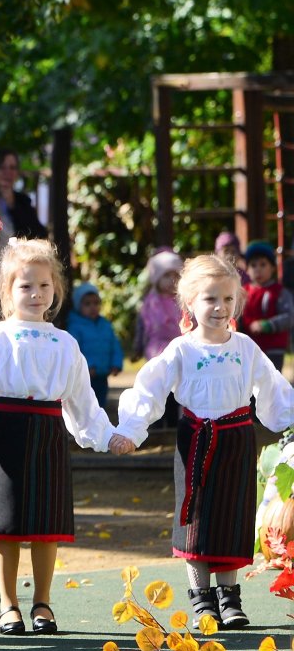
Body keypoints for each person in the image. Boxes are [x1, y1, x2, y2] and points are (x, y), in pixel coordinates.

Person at [0, 240, 132, 635]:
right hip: (7, 431)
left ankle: (43, 602)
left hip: (48, 434)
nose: (36, 294)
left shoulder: (66, 344)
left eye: (44, 286)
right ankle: (8, 606)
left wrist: (108, 436)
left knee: (45, 523)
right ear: (7, 291)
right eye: (25, 286)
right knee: (4, 524)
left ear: (55, 289)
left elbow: (82, 402)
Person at [115, 254, 294, 630]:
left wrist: (288, 421)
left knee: (231, 517)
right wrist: (131, 430)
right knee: (196, 518)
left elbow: (272, 387)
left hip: (237, 440)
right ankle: (202, 600)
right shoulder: (181, 350)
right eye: (211, 298)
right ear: (190, 303)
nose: (219, 307)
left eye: (228, 299)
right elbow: (150, 387)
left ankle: (229, 598)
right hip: (196, 439)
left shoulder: (245, 347)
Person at [0, 148, 47, 326]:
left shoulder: (22, 201)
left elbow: (39, 234)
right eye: (2, 168)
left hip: (20, 271)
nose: (7, 173)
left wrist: (12, 203)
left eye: (12, 168)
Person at [64, 281, 124, 410]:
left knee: (100, 404)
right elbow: (75, 350)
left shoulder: (105, 324)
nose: (93, 307)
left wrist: (116, 364)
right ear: (77, 305)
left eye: (96, 303)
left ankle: (100, 428)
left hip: (103, 374)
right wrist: (87, 366)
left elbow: (115, 345)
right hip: (86, 376)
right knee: (85, 405)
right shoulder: (75, 326)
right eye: (87, 304)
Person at [238, 240, 293, 373]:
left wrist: (267, 325)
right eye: (253, 265)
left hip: (273, 348)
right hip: (249, 347)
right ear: (247, 269)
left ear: (273, 267)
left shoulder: (280, 292)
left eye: (263, 264)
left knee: (272, 382)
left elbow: (289, 317)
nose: (258, 269)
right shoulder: (242, 292)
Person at [131, 249, 183, 363]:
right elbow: (142, 327)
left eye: (176, 275)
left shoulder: (183, 299)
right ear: (157, 278)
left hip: (181, 346)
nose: (172, 280)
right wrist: (137, 348)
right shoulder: (151, 302)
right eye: (167, 276)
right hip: (157, 348)